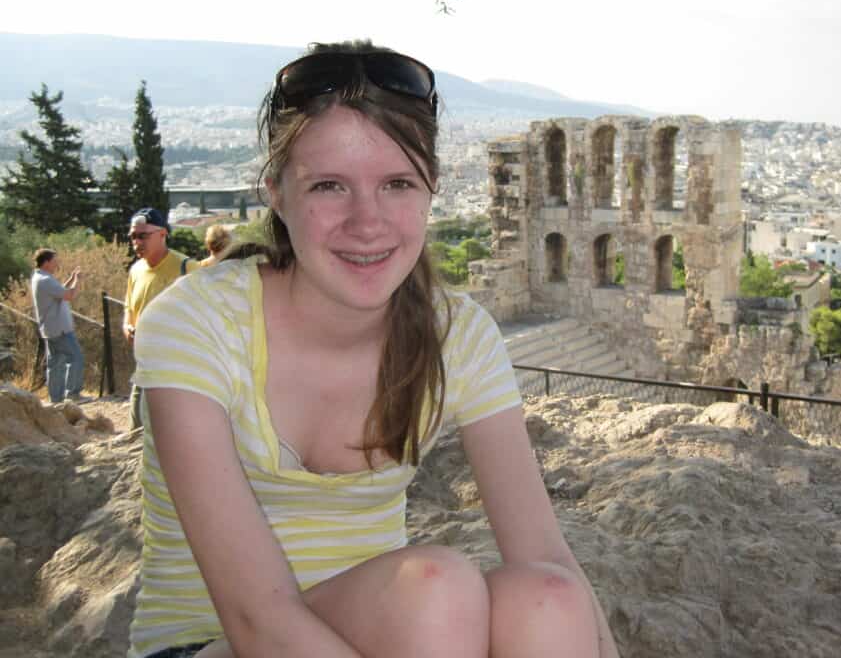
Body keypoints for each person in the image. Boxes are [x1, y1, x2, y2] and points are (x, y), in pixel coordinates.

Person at [127, 42, 620, 658]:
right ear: (276, 193)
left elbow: (545, 553)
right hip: (212, 642)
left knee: (550, 598)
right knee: (434, 589)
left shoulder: (458, 337)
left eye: (397, 184)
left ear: (431, 189)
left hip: (395, 637)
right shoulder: (198, 322)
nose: (368, 222)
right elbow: (258, 620)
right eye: (329, 186)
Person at [123, 207, 199, 427]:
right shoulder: (136, 271)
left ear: (163, 234)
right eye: (133, 236)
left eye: (143, 235)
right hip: (145, 365)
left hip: (179, 370)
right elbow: (129, 309)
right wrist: (128, 327)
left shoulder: (187, 268)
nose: (136, 242)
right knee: (136, 430)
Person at [30, 248, 86, 404]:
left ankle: (56, 399)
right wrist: (78, 280)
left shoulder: (40, 278)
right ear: (46, 262)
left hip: (49, 329)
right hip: (60, 329)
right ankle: (73, 394)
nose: (57, 263)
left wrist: (70, 279)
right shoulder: (45, 280)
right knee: (76, 358)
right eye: (55, 260)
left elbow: (59, 291)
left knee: (55, 364)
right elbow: (69, 295)